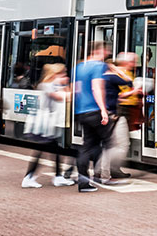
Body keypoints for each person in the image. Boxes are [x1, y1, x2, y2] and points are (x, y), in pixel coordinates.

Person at [22, 63, 76, 188]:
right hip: (42, 125)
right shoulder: (45, 85)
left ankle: (57, 176)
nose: (64, 75)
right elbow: (62, 97)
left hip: (47, 124)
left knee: (52, 150)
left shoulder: (52, 85)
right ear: (54, 74)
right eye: (62, 73)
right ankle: (29, 177)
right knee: (42, 150)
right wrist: (71, 88)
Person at [73, 41, 112, 192]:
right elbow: (97, 88)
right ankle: (104, 175)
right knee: (111, 142)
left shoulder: (79, 67)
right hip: (94, 110)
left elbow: (76, 90)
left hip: (82, 111)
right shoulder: (98, 66)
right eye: (105, 50)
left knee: (87, 146)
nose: (107, 53)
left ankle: (83, 182)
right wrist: (103, 109)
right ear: (98, 51)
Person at [99, 53, 141, 183]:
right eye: (133, 61)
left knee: (112, 143)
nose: (135, 64)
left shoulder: (105, 77)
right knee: (119, 144)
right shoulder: (115, 76)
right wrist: (135, 91)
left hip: (114, 112)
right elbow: (124, 89)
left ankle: (107, 170)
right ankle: (104, 171)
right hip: (118, 112)